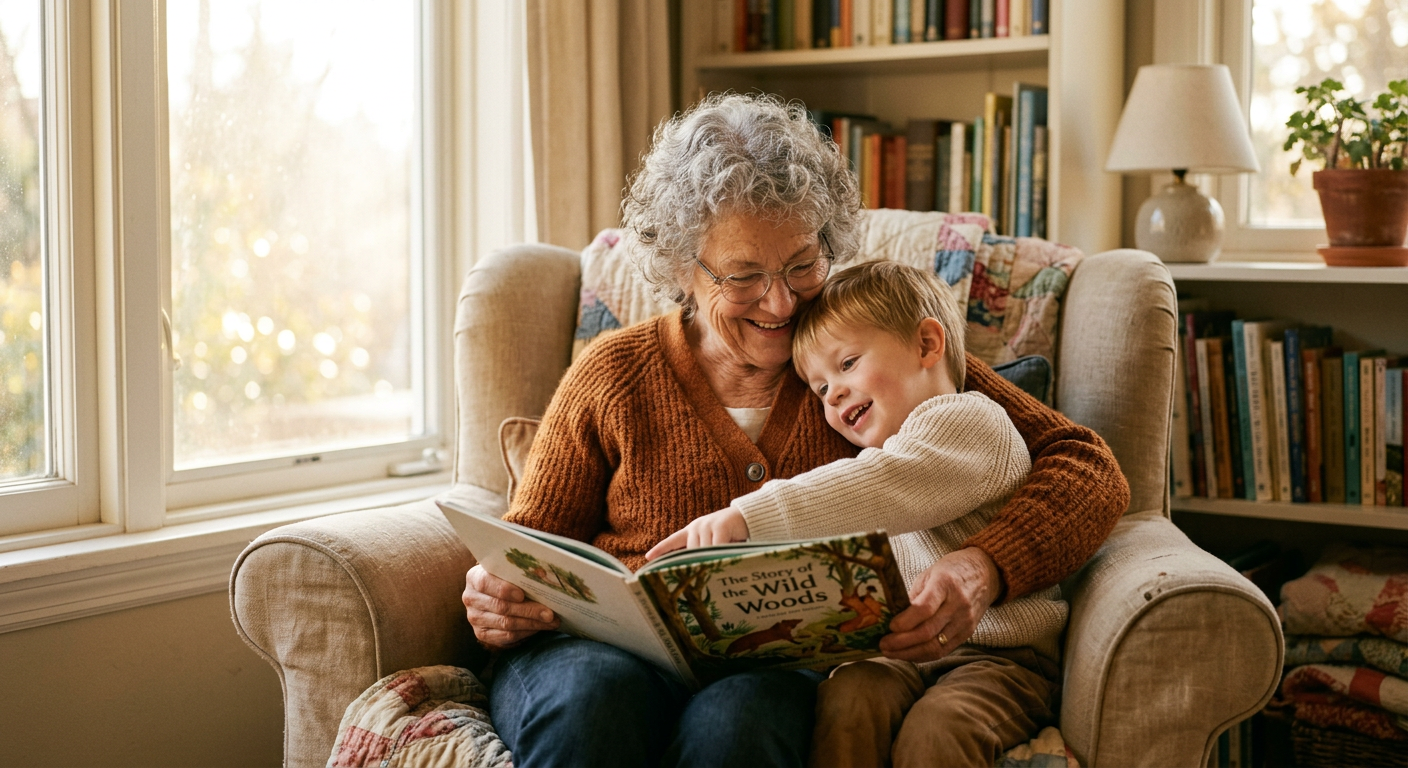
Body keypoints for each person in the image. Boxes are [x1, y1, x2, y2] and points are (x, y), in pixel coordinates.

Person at [460, 92, 1130, 768]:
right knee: (592, 703)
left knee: (741, 726)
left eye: (803, 265)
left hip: (768, 664)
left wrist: (986, 565)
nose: (780, 303)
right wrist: (498, 597)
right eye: (745, 276)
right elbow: (529, 545)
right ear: (683, 270)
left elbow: (1085, 466)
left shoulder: (873, 365)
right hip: (596, 654)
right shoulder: (614, 372)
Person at [648, 261, 1067, 766]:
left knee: (937, 732)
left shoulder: (972, 422)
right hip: (904, 654)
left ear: (927, 346)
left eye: (846, 365)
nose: (834, 395)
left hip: (1002, 659)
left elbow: (882, 486)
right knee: (849, 697)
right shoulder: (890, 443)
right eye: (820, 388)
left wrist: (746, 518)